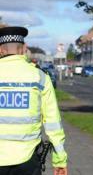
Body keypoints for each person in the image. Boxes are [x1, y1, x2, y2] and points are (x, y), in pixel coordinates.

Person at [0, 26, 67, 175]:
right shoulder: (40, 77)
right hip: (28, 159)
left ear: (1, 50)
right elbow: (53, 123)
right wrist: (60, 160)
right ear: (24, 48)